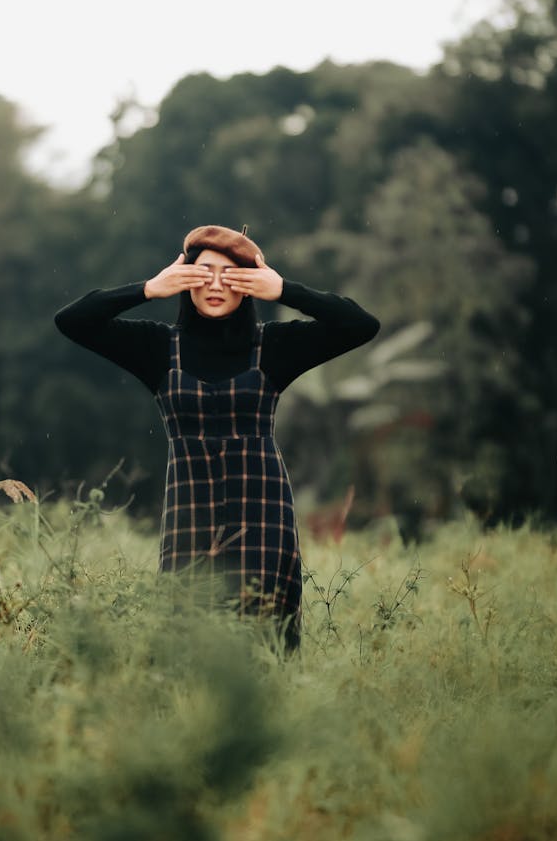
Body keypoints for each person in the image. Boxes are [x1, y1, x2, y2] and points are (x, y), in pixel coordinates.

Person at [54, 225, 379, 650]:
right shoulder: (156, 348)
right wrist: (149, 288)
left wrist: (284, 290)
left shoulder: (275, 347)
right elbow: (72, 321)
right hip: (189, 522)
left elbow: (360, 325)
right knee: (186, 646)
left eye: (231, 275)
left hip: (264, 519)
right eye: (203, 272)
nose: (215, 285)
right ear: (185, 277)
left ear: (249, 285)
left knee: (268, 644)